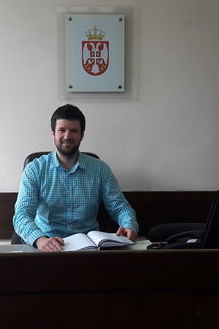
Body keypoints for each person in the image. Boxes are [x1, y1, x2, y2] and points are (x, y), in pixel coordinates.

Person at [13, 104, 138, 252]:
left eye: (73, 131)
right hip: (46, 244)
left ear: (82, 135)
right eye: (62, 130)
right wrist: (40, 240)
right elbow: (21, 215)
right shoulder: (35, 169)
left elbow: (120, 207)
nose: (67, 136)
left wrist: (129, 224)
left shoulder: (100, 169)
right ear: (53, 134)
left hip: (88, 248)